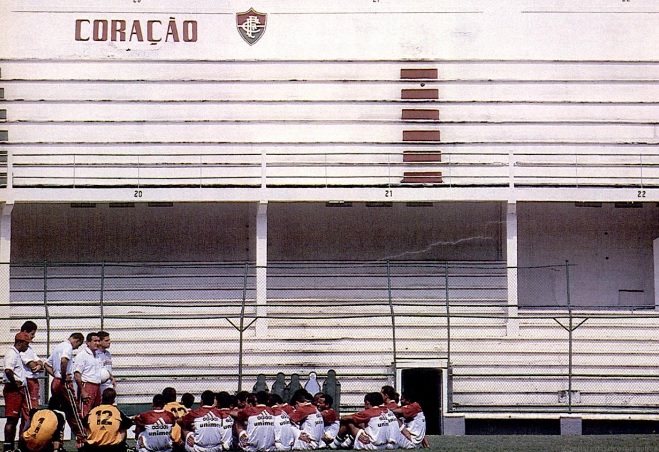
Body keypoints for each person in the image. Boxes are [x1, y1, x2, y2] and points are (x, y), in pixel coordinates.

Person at [44, 333, 85, 452]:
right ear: (76, 340)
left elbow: (46, 364)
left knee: (56, 410)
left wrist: (55, 375)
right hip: (63, 383)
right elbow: (64, 360)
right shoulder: (67, 347)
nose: (76, 348)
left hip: (55, 382)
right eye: (78, 345)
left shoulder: (58, 346)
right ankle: (82, 438)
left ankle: (55, 441)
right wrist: (62, 376)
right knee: (73, 410)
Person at [3, 332, 32, 452]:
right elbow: (8, 370)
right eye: (26, 343)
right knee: (12, 419)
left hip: (17, 390)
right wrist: (15, 383)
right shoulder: (12, 353)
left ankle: (11, 446)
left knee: (15, 419)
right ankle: (8, 446)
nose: (27, 346)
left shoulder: (17, 354)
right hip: (13, 390)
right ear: (20, 342)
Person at [83, 388, 133, 452]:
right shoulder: (116, 411)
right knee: (123, 427)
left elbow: (84, 424)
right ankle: (122, 445)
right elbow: (128, 424)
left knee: (88, 426)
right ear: (113, 400)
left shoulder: (93, 411)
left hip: (93, 446)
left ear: (102, 397)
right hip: (112, 447)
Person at [73, 333, 103, 421]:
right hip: (87, 385)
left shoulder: (97, 355)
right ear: (88, 342)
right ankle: (83, 434)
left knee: (96, 412)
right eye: (95, 341)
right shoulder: (82, 355)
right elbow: (77, 374)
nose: (97, 343)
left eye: (98, 341)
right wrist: (82, 390)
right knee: (85, 413)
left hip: (97, 385)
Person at [20, 321, 44, 412]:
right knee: (30, 409)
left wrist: (39, 365)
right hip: (27, 380)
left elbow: (41, 363)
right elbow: (31, 365)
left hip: (33, 380)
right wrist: (37, 365)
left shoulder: (29, 348)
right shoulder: (21, 348)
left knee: (34, 407)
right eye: (32, 334)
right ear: (25, 332)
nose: (34, 336)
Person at [162, 387, 189, 452]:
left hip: (171, 442)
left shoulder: (164, 408)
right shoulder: (184, 408)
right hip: (183, 441)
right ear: (175, 397)